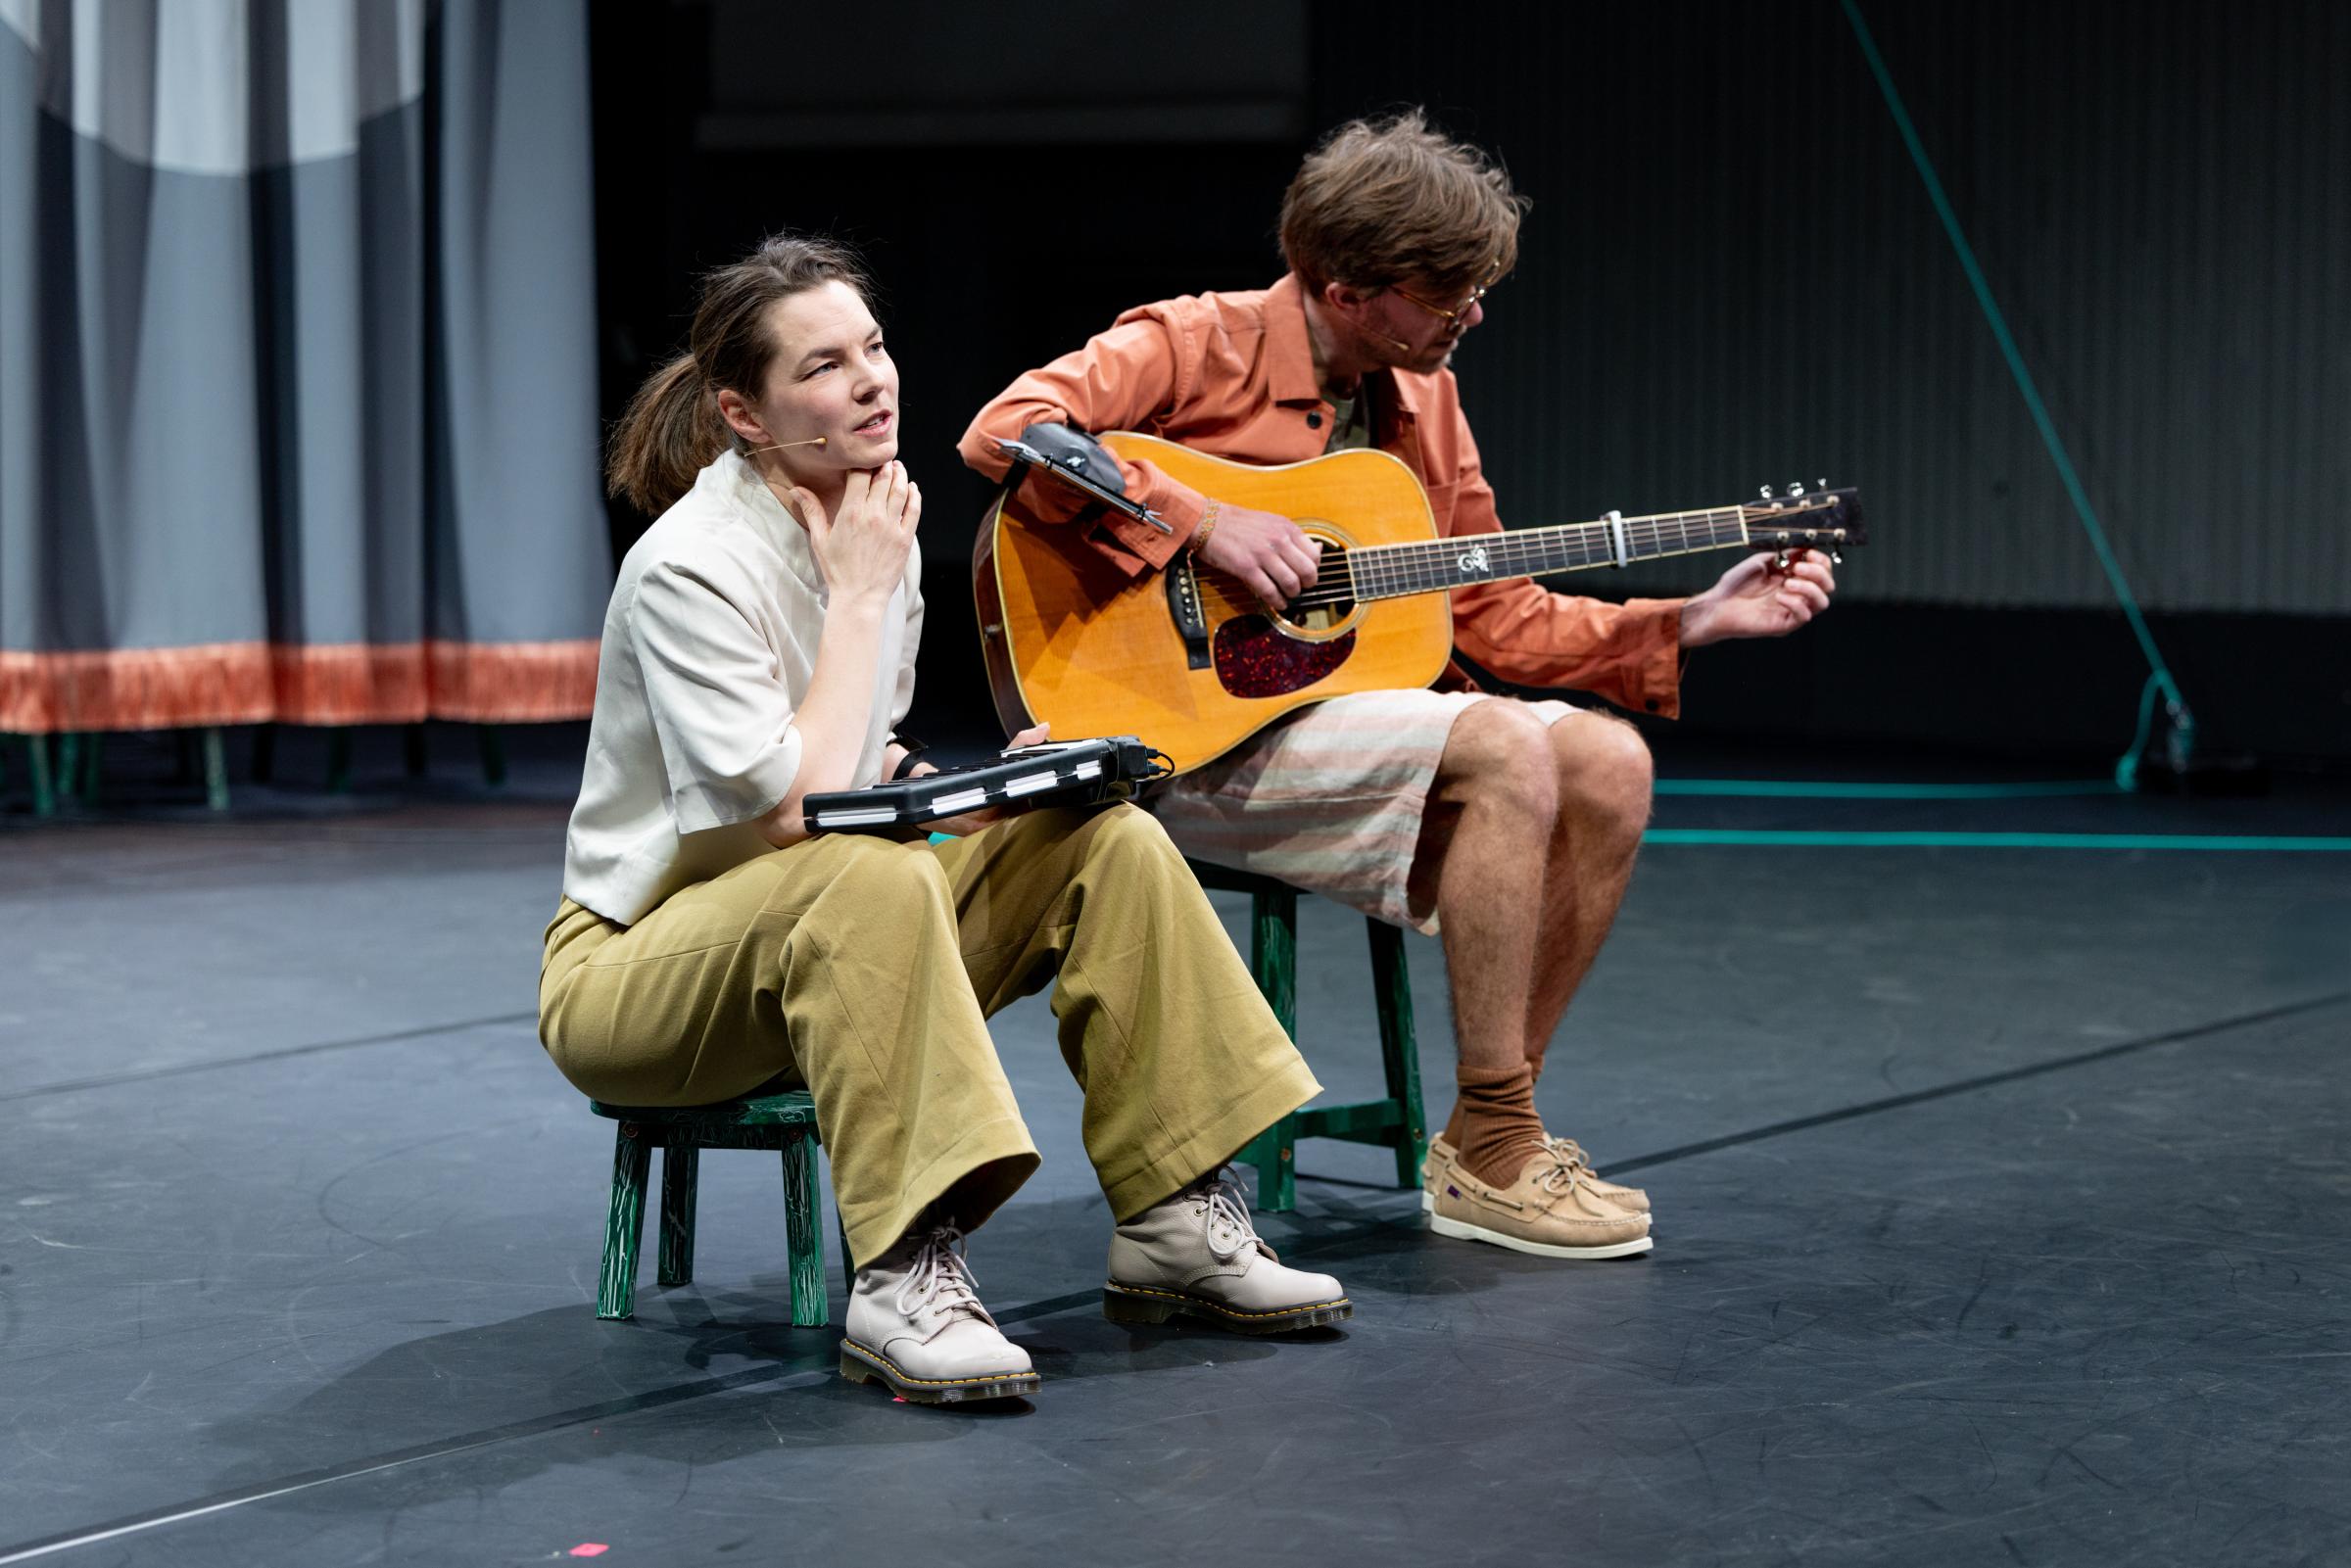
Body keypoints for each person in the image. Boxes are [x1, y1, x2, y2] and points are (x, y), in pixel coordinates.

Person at [959, 112, 1838, 1263]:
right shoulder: (1195, 340)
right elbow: (1010, 431)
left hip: (1326, 728)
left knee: (1610, 759)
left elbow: (1490, 608)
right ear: (1347, 289)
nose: (1473, 314)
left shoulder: (1427, 402)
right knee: (1504, 744)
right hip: (1172, 736)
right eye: (1449, 294)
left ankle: (1490, 1131)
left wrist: (1690, 620)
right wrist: (1206, 522)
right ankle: (1502, 1145)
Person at [540, 233, 1350, 1406]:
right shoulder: (691, 568)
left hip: (825, 925)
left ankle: (1178, 1217)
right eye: (823, 366)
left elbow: (868, 752)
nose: (872, 380)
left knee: (1104, 839)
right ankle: (904, 1274)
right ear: (745, 413)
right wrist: (859, 595)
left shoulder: (871, 520)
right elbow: (794, 811)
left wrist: (981, 792)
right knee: (867, 876)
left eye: (872, 347)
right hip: (638, 973)